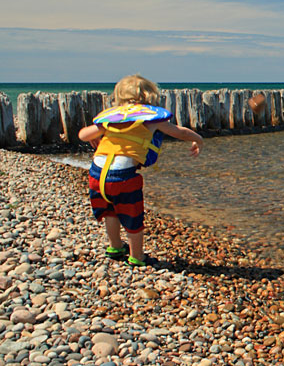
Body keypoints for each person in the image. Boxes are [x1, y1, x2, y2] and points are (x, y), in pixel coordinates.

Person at [78, 74, 203, 267]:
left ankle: (115, 248)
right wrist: (198, 140)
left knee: (110, 211)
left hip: (96, 174)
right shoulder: (151, 119)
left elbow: (83, 134)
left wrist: (95, 135)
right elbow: (180, 132)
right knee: (132, 216)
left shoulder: (112, 118)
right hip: (123, 177)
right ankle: (137, 257)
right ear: (149, 97)